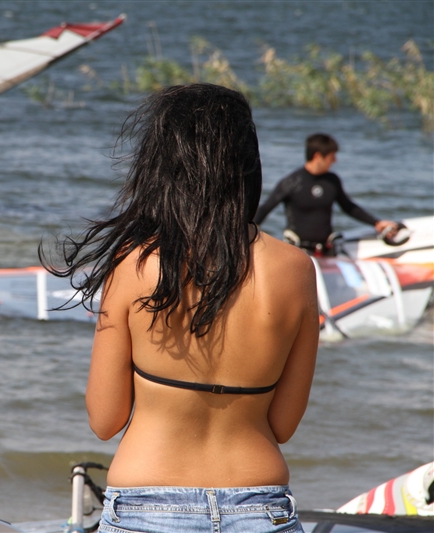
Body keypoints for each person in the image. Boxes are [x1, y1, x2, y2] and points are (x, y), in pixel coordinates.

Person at [45, 84, 319, 532]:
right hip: (260, 507)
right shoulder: (295, 269)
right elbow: (283, 424)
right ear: (247, 165)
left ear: (163, 166)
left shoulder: (133, 263)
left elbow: (105, 418)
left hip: (147, 505)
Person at [254, 133, 396, 256]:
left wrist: (376, 223)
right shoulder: (292, 182)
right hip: (298, 252)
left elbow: (348, 207)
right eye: (331, 156)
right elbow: (265, 209)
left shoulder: (332, 181)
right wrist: (246, 234)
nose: (335, 161)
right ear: (318, 156)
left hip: (327, 250)